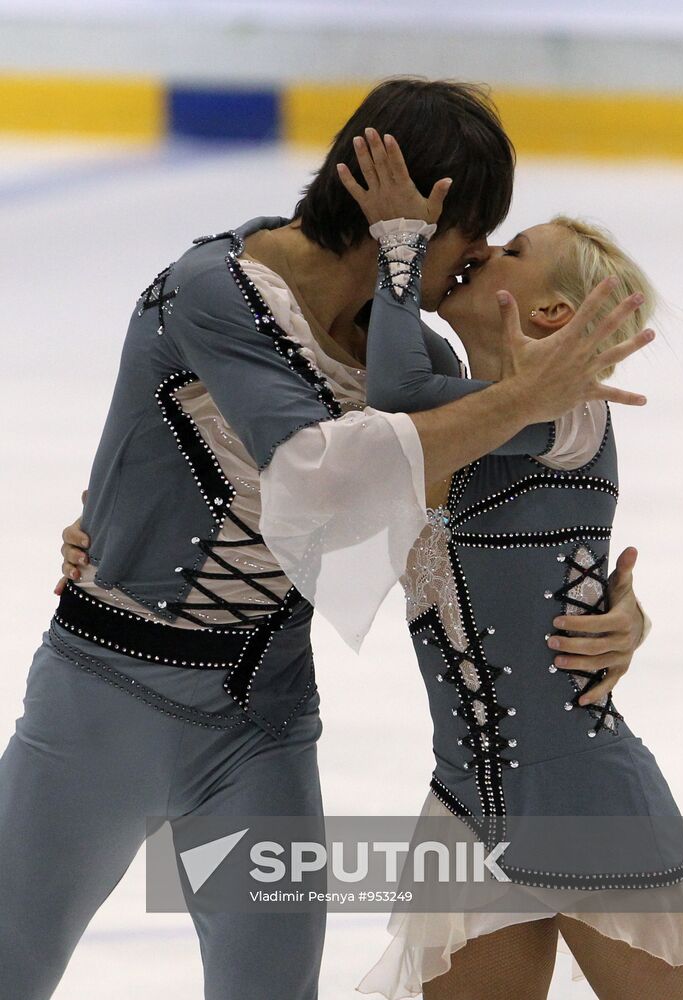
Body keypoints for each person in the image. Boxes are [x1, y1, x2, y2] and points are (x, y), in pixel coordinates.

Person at [8, 80, 650, 1000]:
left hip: (263, 720)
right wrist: (522, 397)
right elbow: (320, 471)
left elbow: (493, 512)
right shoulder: (215, 287)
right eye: (474, 236)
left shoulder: (406, 353)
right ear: (413, 216)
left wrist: (613, 609)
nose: (471, 266)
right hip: (108, 696)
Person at [336, 130, 683, 999]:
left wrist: (405, 248)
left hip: (589, 799)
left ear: (552, 317)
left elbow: (396, 392)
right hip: (467, 805)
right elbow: (386, 389)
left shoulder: (570, 412)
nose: (480, 251)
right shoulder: (456, 397)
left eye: (511, 251)